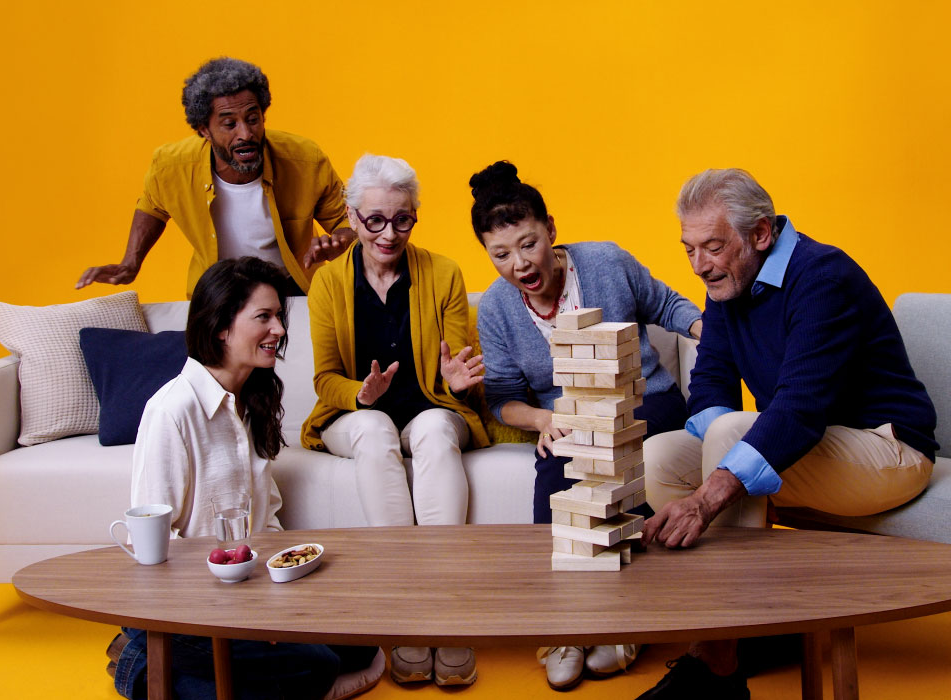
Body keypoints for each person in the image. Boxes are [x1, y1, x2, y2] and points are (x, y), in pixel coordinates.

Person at [633, 169, 938, 699]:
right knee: (659, 457)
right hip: (815, 448)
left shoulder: (823, 276)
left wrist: (707, 498)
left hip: (889, 449)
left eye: (712, 246)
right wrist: (712, 460)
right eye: (688, 249)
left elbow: (799, 409)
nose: (699, 265)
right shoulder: (730, 282)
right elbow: (709, 383)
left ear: (761, 234)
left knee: (731, 435)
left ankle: (718, 661)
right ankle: (754, 629)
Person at [466, 160, 704, 690]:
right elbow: (503, 399)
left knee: (623, 461)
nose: (519, 264)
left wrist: (702, 326)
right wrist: (544, 418)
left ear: (551, 228)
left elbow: (665, 302)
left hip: (647, 401)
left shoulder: (604, 261)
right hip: (568, 419)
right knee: (554, 478)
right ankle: (562, 628)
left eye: (528, 244)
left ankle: (626, 622)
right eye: (500, 254)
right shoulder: (499, 308)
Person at [110, 257, 382, 700]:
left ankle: (174, 661)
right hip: (192, 603)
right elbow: (155, 549)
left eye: (279, 316)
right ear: (221, 327)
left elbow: (265, 515)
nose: (278, 329)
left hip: (252, 588)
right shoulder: (171, 411)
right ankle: (140, 666)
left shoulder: (250, 399)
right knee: (317, 666)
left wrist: (288, 591)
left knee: (361, 642)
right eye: (264, 317)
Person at [299, 153, 486, 687]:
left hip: (429, 406)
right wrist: (361, 393)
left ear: (414, 218)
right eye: (374, 219)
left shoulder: (444, 272)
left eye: (402, 218)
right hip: (353, 413)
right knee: (376, 427)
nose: (388, 233)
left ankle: (448, 618)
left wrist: (456, 381)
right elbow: (323, 378)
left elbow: (457, 369)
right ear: (353, 219)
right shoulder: (328, 283)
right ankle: (406, 612)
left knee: (430, 427)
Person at [75, 57, 355, 298]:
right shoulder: (172, 166)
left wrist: (340, 240)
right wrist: (130, 264)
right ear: (204, 130)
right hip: (217, 290)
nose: (245, 133)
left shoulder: (304, 159)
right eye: (229, 123)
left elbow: (347, 220)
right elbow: (153, 206)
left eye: (253, 118)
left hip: (294, 286)